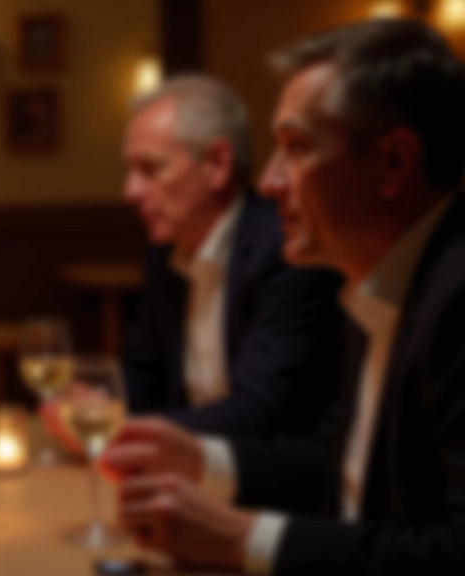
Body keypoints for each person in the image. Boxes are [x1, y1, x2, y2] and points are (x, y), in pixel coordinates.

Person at [104, 19, 465, 575]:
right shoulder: (375, 278)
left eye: (297, 148)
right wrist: (200, 457)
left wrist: (245, 539)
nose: (271, 182)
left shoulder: (457, 296)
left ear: (393, 162)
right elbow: (335, 464)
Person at [47, 75, 345, 447]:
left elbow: (261, 412)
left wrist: (118, 426)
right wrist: (100, 401)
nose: (130, 192)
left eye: (151, 169)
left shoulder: (284, 249)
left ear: (218, 164)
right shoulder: (165, 252)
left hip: (265, 490)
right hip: (189, 478)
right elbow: (143, 373)